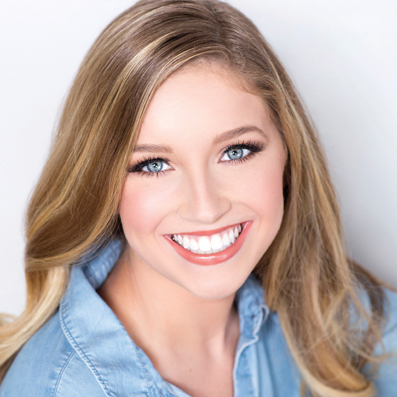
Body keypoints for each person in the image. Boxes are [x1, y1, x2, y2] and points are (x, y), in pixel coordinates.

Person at [0, 0, 396, 396]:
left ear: (289, 153)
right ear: (100, 183)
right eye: (154, 164)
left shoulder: (340, 314)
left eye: (236, 151)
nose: (206, 208)